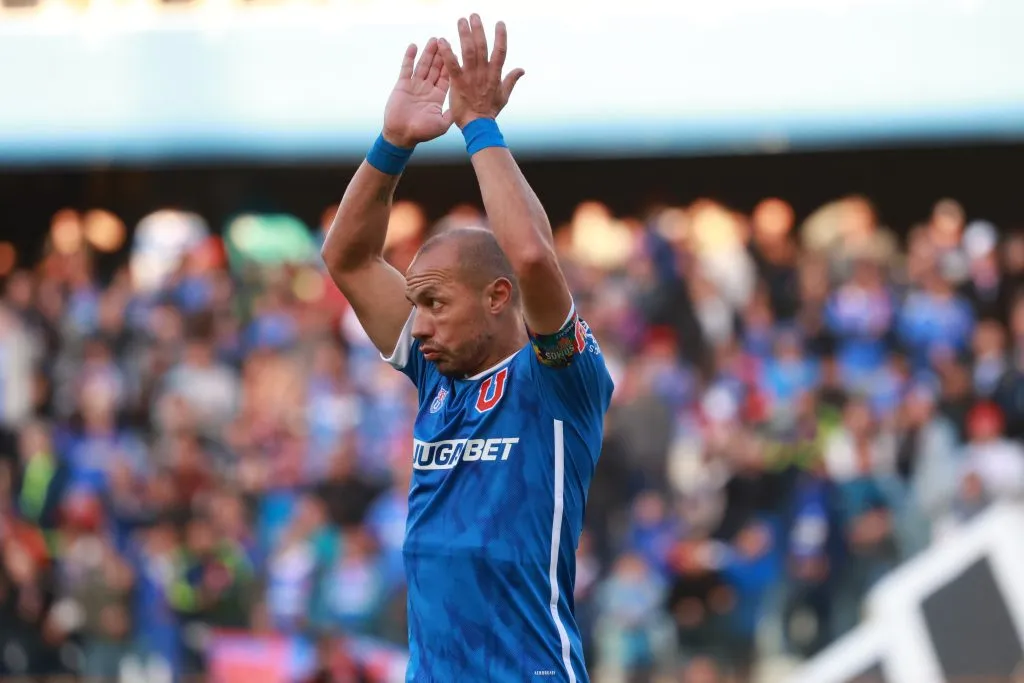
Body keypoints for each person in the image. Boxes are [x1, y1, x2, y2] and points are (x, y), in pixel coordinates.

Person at [320, 14, 614, 682]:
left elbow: (534, 256)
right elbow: (347, 255)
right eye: (415, 303)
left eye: (435, 303)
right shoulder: (436, 375)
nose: (417, 326)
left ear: (497, 297)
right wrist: (392, 143)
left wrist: (478, 126)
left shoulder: (560, 381)